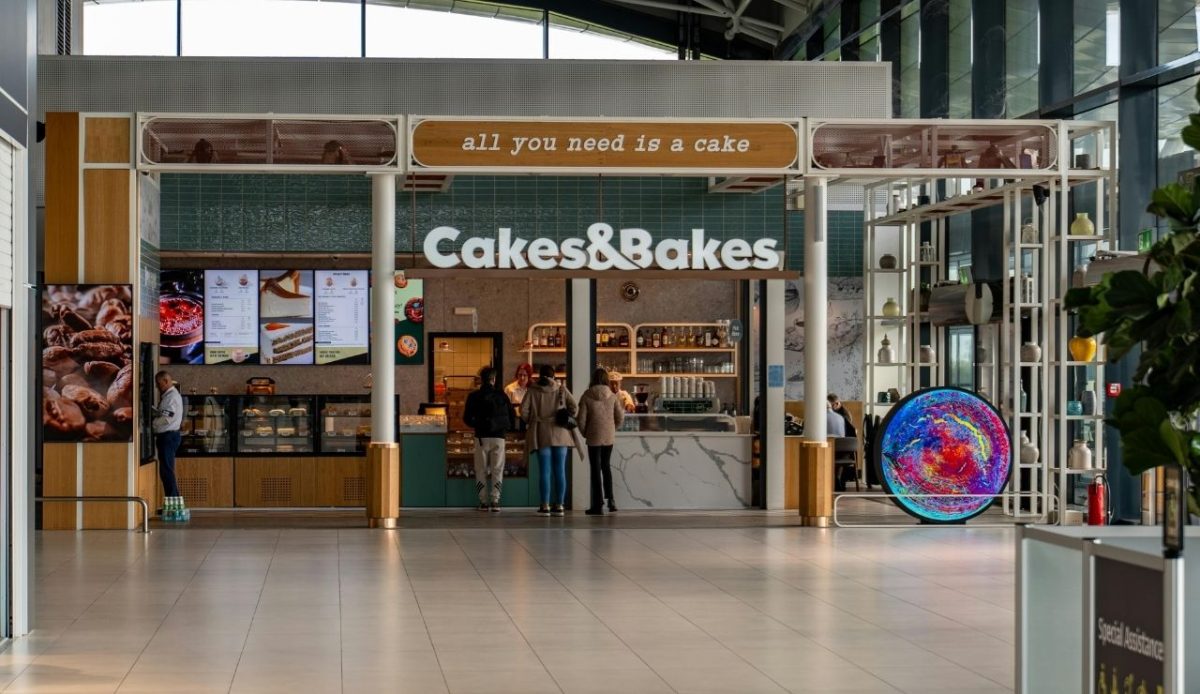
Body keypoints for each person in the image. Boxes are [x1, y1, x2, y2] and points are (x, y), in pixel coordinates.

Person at [521, 364, 577, 516]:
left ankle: (545, 505)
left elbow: (523, 411)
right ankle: (560, 505)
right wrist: (565, 415)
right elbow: (574, 408)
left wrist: (532, 421)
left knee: (544, 471)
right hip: (561, 433)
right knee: (560, 471)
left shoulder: (533, 390)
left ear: (540, 377)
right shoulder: (561, 389)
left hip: (541, 433)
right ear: (554, 376)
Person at [462, 366, 515, 512]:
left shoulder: (474, 396)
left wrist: (477, 426)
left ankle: (483, 502)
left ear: (481, 380)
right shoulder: (502, 395)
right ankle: (495, 501)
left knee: (481, 470)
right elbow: (511, 417)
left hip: (481, 438)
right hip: (499, 438)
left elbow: (466, 418)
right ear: (493, 379)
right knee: (497, 469)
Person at [577, 367, 625, 515]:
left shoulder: (586, 396)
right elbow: (620, 417)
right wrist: (612, 428)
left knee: (595, 469)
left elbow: (581, 420)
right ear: (606, 380)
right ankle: (611, 500)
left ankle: (597, 505)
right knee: (606, 466)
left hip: (593, 436)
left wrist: (586, 433)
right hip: (608, 436)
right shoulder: (612, 396)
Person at [152, 370, 184, 515]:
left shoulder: (171, 397)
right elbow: (164, 414)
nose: (158, 387)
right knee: (167, 470)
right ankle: (174, 504)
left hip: (168, 437)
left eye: (159, 384)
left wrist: (152, 424)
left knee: (167, 471)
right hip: (168, 437)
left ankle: (173, 505)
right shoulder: (169, 396)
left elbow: (167, 418)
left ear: (166, 381)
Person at [504, 363, 533, 427]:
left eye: (525, 375)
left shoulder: (533, 389)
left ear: (529, 376)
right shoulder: (509, 389)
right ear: (517, 375)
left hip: (529, 422)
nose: (522, 378)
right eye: (520, 375)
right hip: (514, 421)